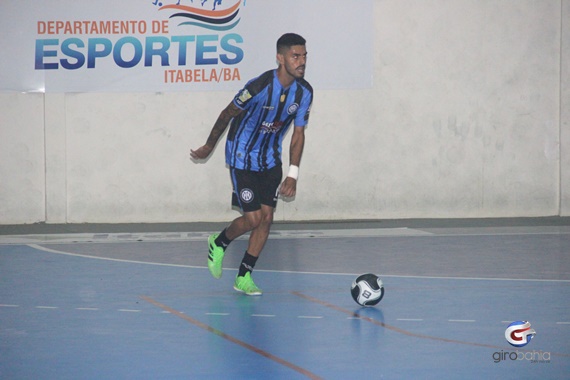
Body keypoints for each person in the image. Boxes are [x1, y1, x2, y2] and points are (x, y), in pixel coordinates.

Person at [190, 33, 313, 296]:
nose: (301, 61)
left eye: (304, 56)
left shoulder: (304, 93)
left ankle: (244, 276)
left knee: (267, 220)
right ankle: (219, 242)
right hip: (242, 156)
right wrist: (209, 146)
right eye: (295, 56)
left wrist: (292, 174)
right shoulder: (258, 87)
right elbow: (227, 113)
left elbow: (298, 134)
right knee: (254, 218)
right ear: (280, 58)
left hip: (269, 160)